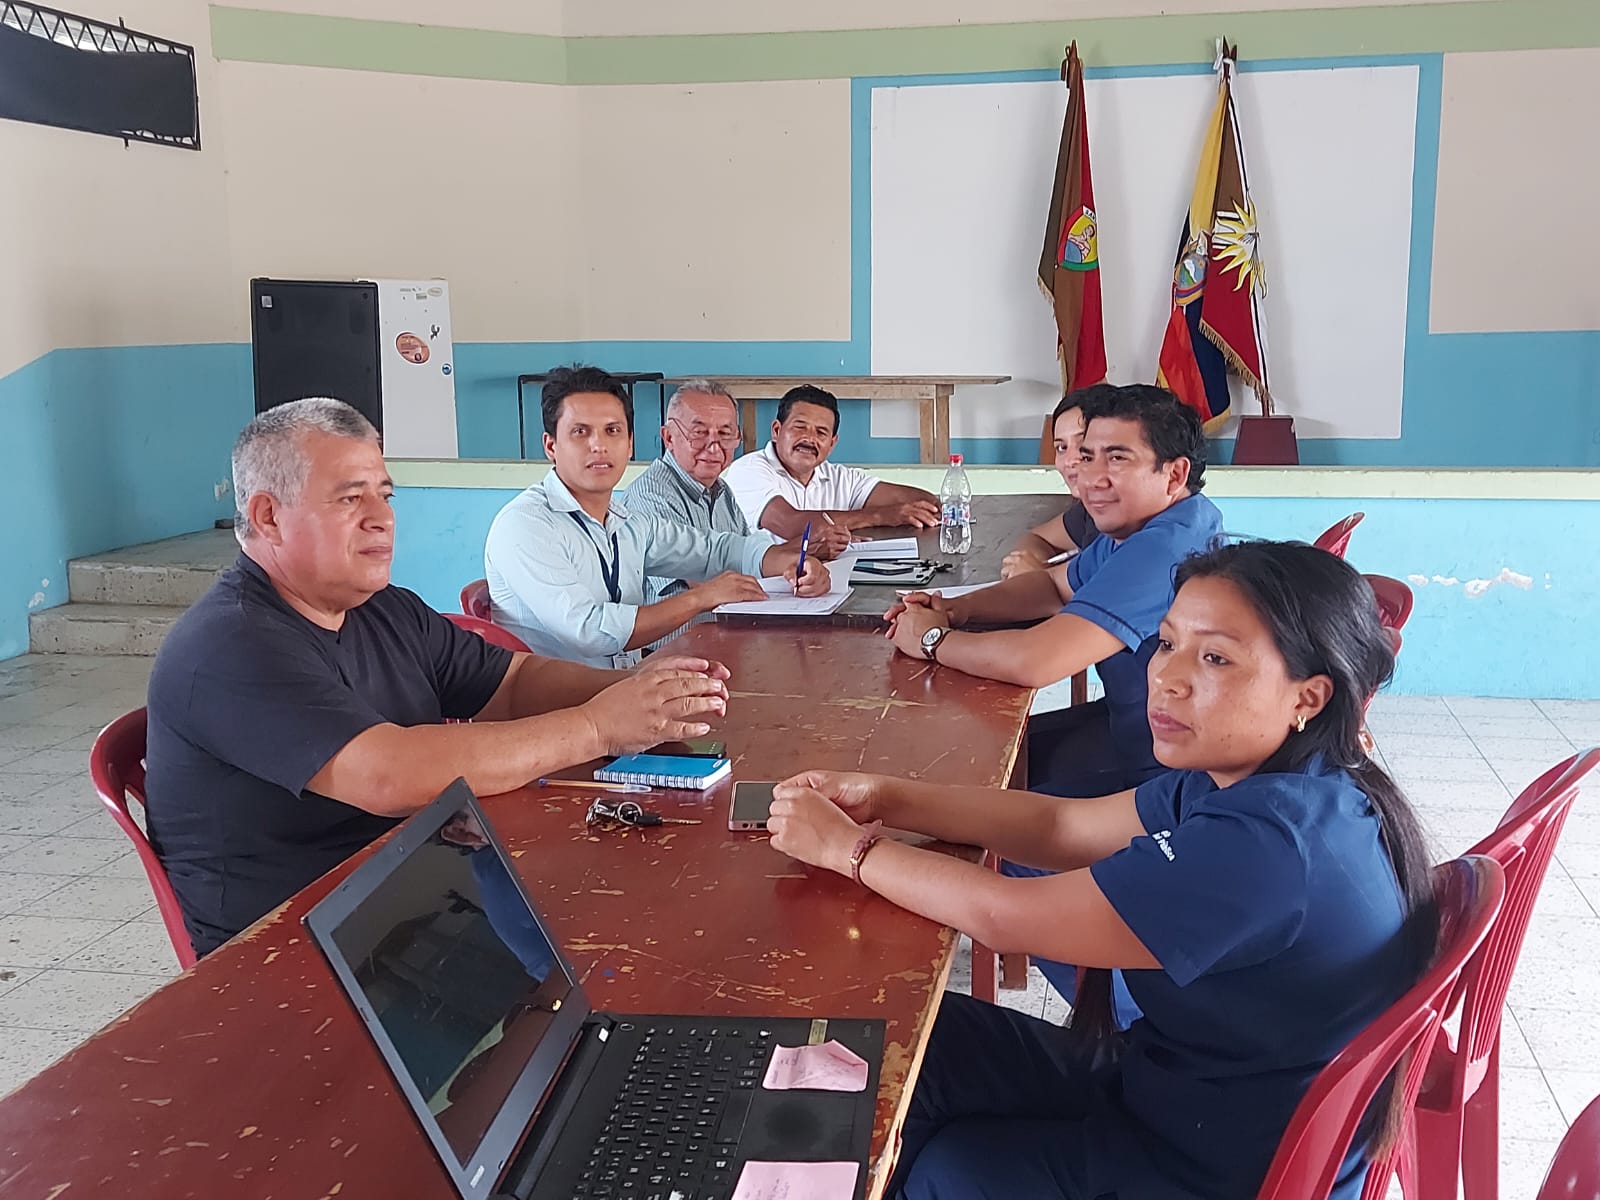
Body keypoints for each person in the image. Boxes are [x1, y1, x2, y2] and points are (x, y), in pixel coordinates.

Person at [765, 541, 1439, 1200]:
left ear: (1307, 697)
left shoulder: (1269, 844)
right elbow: (1063, 827)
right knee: (912, 1041)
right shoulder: (1266, 778)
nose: (1167, 677)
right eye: (1166, 643)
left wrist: (850, 851)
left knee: (948, 1161)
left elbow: (1006, 917)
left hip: (1206, 1164)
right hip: (1173, 1089)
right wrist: (883, 796)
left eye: (1215, 658)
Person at [145, 398, 732, 958]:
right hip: (296, 941)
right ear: (268, 516)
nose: (381, 519)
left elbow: (511, 682)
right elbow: (387, 773)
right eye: (350, 499)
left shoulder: (383, 608)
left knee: (663, 908)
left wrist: (646, 693)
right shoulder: (229, 646)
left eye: (385, 495)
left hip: (413, 887)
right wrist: (598, 726)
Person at [885, 384, 1223, 798]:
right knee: (970, 757)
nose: (1090, 478)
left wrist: (932, 639)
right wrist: (955, 608)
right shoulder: (1151, 525)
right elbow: (1052, 585)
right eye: (1087, 456)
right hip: (1134, 728)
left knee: (966, 793)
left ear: (1175, 474)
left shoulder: (1164, 548)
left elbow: (1035, 662)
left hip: (1170, 775)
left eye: (1117, 458)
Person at [485, 366, 830, 668]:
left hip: (622, 687)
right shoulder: (526, 525)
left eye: (612, 431)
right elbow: (590, 631)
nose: (598, 446)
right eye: (580, 432)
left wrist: (790, 562)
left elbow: (718, 550)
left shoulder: (626, 522)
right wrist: (702, 597)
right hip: (557, 707)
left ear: (630, 444)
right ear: (550, 446)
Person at [620, 380, 851, 613]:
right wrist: (784, 562)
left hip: (728, 628)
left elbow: (745, 555)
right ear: (669, 437)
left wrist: (797, 567)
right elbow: (703, 583)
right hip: (686, 636)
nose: (714, 447)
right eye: (699, 433)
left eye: (724, 433)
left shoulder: (721, 490)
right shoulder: (650, 496)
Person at [721, 384, 941, 536]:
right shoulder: (748, 470)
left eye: (821, 432)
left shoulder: (839, 477)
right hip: (762, 585)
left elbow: (924, 502)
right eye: (799, 427)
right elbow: (792, 525)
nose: (809, 439)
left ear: (832, 443)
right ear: (777, 431)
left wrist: (925, 510)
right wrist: (879, 516)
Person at [1000, 384, 1117, 579]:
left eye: (1083, 443)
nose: (1070, 460)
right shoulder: (1091, 508)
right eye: (1061, 447)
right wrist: (1031, 565)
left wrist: (1043, 577)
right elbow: (1037, 538)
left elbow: (1106, 591)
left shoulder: (1140, 525)